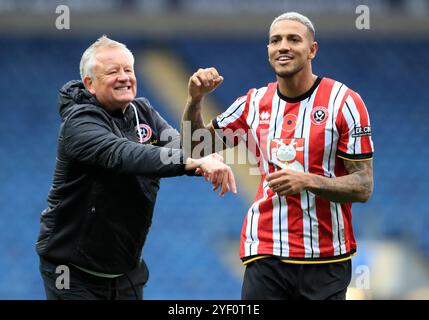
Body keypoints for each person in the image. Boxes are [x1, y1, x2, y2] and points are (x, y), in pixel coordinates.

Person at [182, 12, 374, 300]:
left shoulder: (344, 102)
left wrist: (307, 181)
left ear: (312, 50)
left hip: (327, 258)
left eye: (293, 39)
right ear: (269, 50)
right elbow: (195, 147)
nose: (283, 46)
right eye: (275, 40)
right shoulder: (253, 102)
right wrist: (195, 100)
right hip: (265, 253)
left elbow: (363, 186)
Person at [36, 35, 236, 300]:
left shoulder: (144, 112)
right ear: (90, 84)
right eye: (112, 71)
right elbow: (125, 154)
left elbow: (188, 149)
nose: (124, 77)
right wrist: (194, 162)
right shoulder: (79, 123)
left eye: (128, 70)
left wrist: (195, 100)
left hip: (127, 271)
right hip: (73, 274)